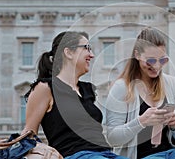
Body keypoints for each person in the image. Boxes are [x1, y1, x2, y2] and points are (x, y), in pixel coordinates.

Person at [103, 27, 175, 159]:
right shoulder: (122, 87)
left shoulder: (174, 85)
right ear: (137, 55)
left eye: (162, 60)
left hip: (170, 152)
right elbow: (112, 138)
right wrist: (142, 121)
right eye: (150, 60)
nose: (156, 66)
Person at [22, 31, 128, 159]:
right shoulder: (45, 88)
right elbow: (29, 134)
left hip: (105, 154)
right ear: (69, 52)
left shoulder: (87, 90)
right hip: (75, 155)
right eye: (87, 48)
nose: (92, 55)